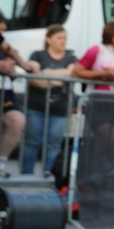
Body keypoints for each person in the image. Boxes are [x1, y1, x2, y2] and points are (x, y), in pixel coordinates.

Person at [23, 24, 78, 175]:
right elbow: (33, 78)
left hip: (60, 109)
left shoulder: (71, 56)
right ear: (49, 39)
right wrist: (59, 79)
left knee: (54, 144)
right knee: (31, 142)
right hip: (36, 106)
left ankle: (49, 175)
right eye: (59, 38)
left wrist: (47, 74)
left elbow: (72, 73)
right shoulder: (37, 55)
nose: (63, 41)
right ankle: (26, 175)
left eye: (65, 38)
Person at [0, 12, 30, 176]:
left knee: (17, 120)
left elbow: (9, 49)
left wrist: (23, 65)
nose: (2, 33)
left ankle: (1, 164)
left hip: (1, 92)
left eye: (4, 30)